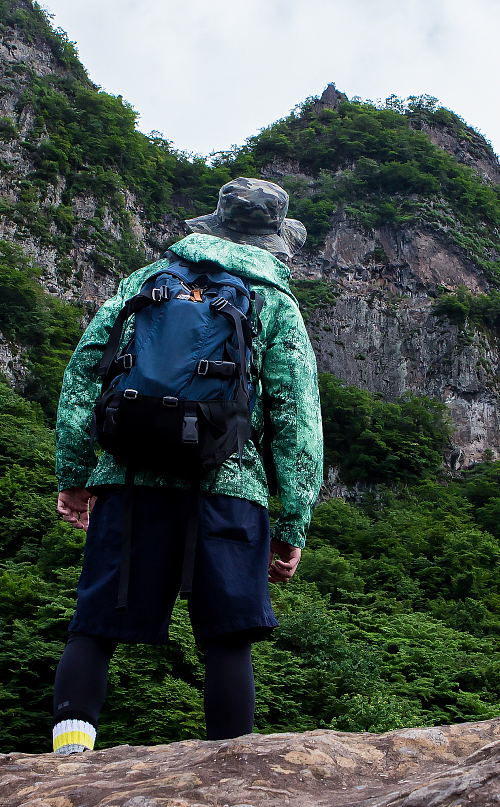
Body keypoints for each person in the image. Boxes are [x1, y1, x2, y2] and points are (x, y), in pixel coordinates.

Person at [49, 177, 324, 752]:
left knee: (95, 624)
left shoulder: (146, 283)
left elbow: (82, 375)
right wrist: (292, 524)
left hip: (130, 477)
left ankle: (68, 755)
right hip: (227, 485)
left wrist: (75, 477)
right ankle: (229, 770)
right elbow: (297, 416)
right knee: (227, 639)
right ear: (274, 241)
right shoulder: (273, 300)